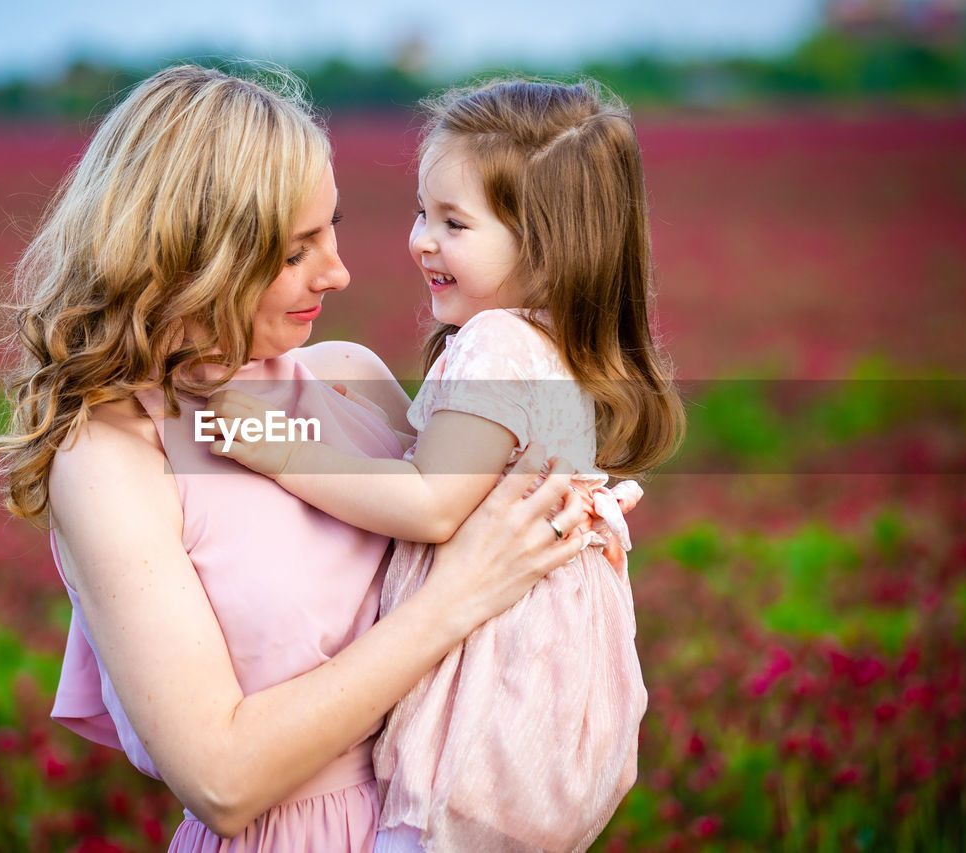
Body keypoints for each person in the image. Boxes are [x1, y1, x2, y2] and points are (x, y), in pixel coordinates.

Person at [0, 64, 605, 852]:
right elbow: (222, 778)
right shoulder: (112, 454)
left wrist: (568, 517)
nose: (338, 272)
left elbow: (500, 575)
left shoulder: (352, 379)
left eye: (333, 229)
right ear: (190, 252)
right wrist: (454, 598)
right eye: (293, 251)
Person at [208, 78, 685, 852]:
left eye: (454, 222)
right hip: (533, 731)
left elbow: (429, 502)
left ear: (548, 243)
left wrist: (274, 444)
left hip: (482, 737)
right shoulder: (548, 348)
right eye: (422, 212)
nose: (422, 239)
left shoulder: (498, 343)